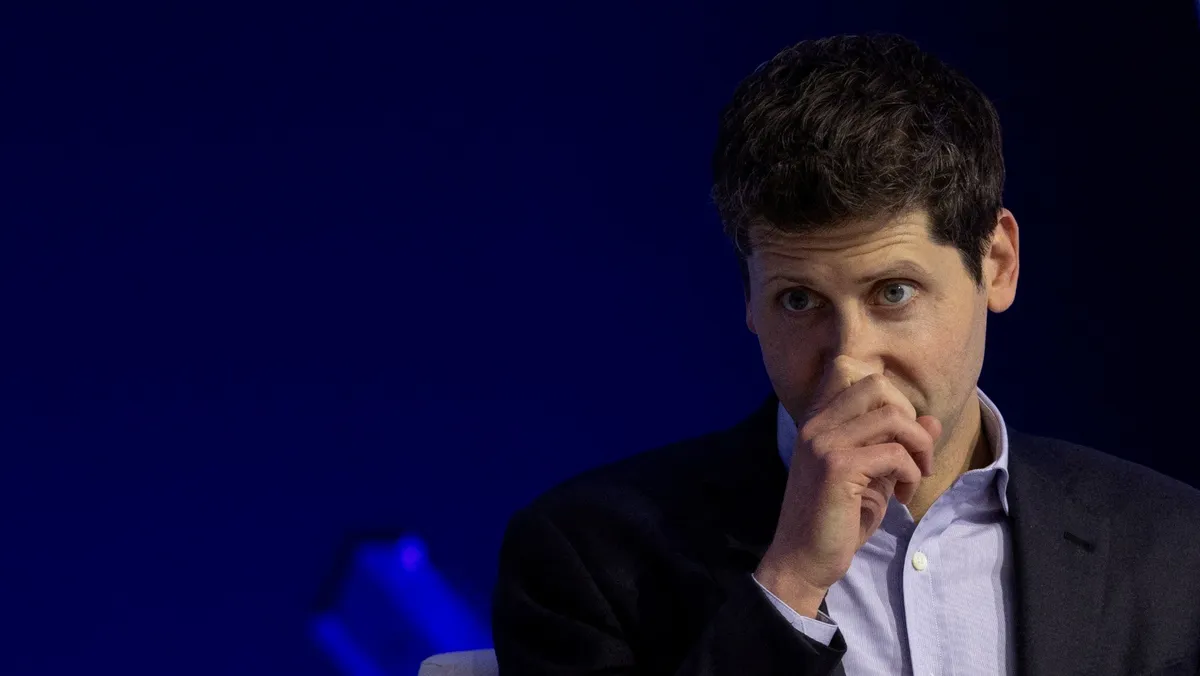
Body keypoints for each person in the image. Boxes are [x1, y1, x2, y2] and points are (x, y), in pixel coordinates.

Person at [490, 33, 1200, 675]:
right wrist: (791, 582)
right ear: (748, 297)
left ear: (998, 265)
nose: (849, 363)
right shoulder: (585, 556)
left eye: (894, 292)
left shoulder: (1173, 548)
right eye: (799, 300)